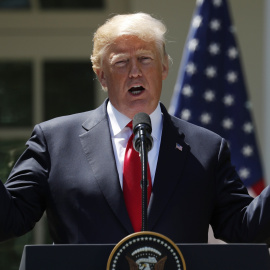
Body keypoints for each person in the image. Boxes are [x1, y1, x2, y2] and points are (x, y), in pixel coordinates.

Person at [1, 12, 270, 245]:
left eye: (145, 59)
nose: (135, 72)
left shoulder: (206, 148)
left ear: (164, 66)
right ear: (101, 75)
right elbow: (10, 219)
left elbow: (243, 228)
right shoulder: (55, 141)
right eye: (121, 62)